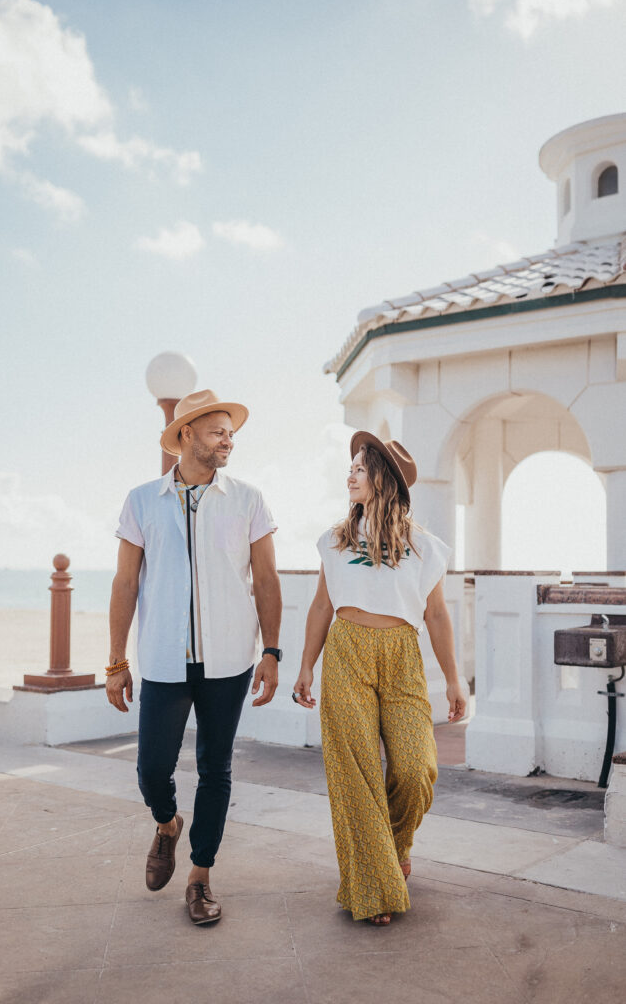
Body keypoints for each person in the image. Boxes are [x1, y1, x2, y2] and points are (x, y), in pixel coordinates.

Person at [106, 389, 282, 925]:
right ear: (186, 434)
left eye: (231, 432)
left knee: (215, 768)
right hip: (162, 657)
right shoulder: (141, 500)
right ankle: (166, 824)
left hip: (230, 660)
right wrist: (116, 660)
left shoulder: (249, 499)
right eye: (217, 431)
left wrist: (271, 652)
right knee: (152, 767)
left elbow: (267, 580)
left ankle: (200, 877)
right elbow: (125, 581)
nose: (228, 440)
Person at [293, 431, 466, 926]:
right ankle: (372, 886)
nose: (350, 474)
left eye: (361, 468)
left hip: (401, 657)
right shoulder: (335, 539)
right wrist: (306, 664)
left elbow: (436, 616)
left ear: (384, 480)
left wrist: (454, 679)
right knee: (357, 774)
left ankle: (392, 846)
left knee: (416, 769)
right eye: (351, 467)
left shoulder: (425, 548)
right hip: (346, 651)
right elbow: (323, 604)